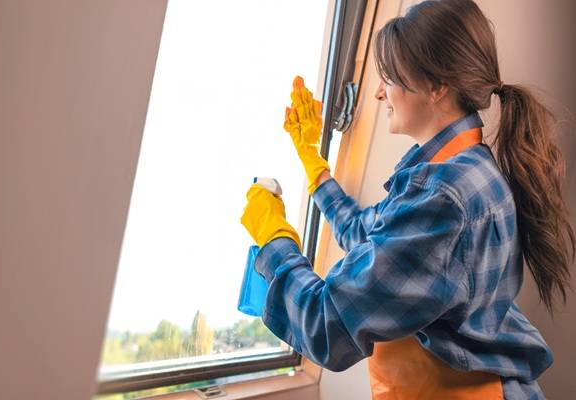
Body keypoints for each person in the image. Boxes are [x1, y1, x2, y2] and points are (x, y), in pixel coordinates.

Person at [240, 0, 575, 398]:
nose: (380, 93)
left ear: (437, 85)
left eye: (390, 77)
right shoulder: (467, 169)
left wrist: (272, 236)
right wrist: (314, 166)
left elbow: (325, 324)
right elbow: (370, 235)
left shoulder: (444, 198)